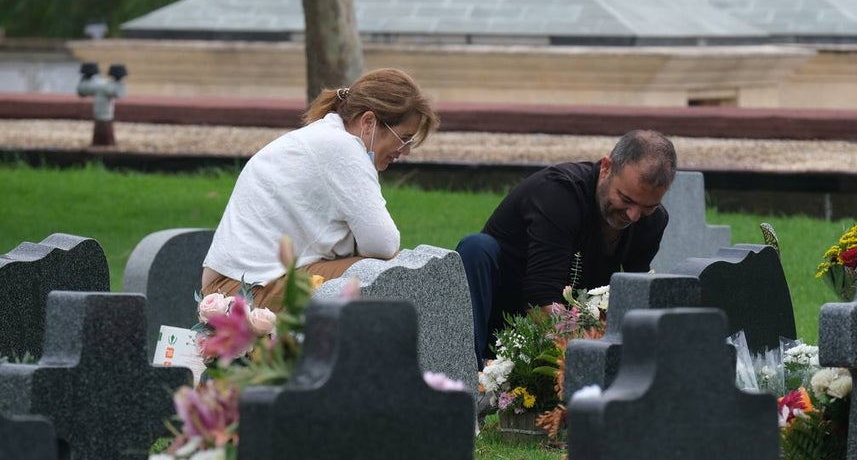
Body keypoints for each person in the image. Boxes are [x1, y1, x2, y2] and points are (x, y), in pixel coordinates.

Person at [201, 67, 438, 310]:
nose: (406, 151)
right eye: (404, 138)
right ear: (368, 122)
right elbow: (384, 244)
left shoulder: (326, 137)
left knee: (393, 274)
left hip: (234, 286)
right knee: (391, 276)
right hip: (244, 290)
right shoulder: (342, 147)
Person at [457, 129, 677, 368]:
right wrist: (588, 354)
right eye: (626, 199)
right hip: (503, 318)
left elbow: (629, 299)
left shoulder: (653, 222)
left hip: (568, 328)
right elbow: (541, 297)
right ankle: (467, 368)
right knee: (477, 247)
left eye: (648, 207)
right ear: (606, 168)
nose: (633, 216)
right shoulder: (559, 193)